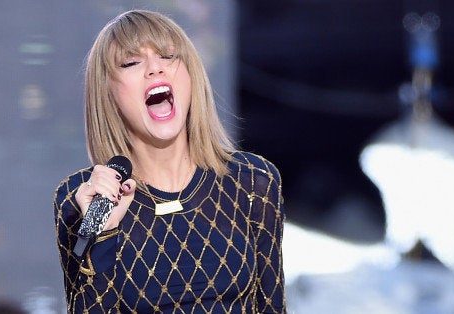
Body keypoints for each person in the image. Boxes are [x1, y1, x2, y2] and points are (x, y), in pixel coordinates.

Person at [53, 9, 286, 313]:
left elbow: (272, 306)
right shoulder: (80, 200)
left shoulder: (253, 181)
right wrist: (104, 234)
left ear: (191, 75)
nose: (154, 69)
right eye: (131, 62)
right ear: (108, 92)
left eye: (168, 56)